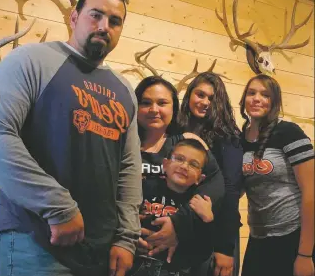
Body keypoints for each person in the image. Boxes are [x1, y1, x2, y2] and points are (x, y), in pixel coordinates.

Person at [0, 0, 142, 276]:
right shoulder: (30, 61)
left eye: (115, 21)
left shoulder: (124, 90)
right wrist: (57, 207)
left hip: (100, 250)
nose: (104, 26)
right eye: (96, 15)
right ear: (74, 17)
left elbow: (128, 167)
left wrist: (127, 238)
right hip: (35, 241)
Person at [133, 76, 225, 275]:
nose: (154, 109)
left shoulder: (187, 142)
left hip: (176, 263)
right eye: (146, 103)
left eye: (162, 103)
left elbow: (215, 186)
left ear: (174, 108)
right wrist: (125, 230)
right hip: (131, 255)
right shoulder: (123, 144)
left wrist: (179, 226)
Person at [239, 74, 314, 276]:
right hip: (258, 238)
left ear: (274, 102)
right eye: (251, 93)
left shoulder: (289, 132)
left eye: (265, 95)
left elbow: (311, 192)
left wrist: (305, 255)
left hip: (293, 238)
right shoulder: (239, 139)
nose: (256, 98)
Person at [178, 72, 243, 276]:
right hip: (183, 226)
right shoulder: (176, 130)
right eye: (200, 95)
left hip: (217, 231)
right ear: (189, 96)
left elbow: (231, 192)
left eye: (212, 98)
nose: (205, 102)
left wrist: (224, 247)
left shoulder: (228, 138)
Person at [131, 139, 214, 276]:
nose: (184, 166)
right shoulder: (144, 188)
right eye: (179, 159)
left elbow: (202, 253)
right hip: (135, 264)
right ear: (165, 164)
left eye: (193, 164)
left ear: (200, 178)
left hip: (174, 270)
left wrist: (207, 222)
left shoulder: (197, 206)